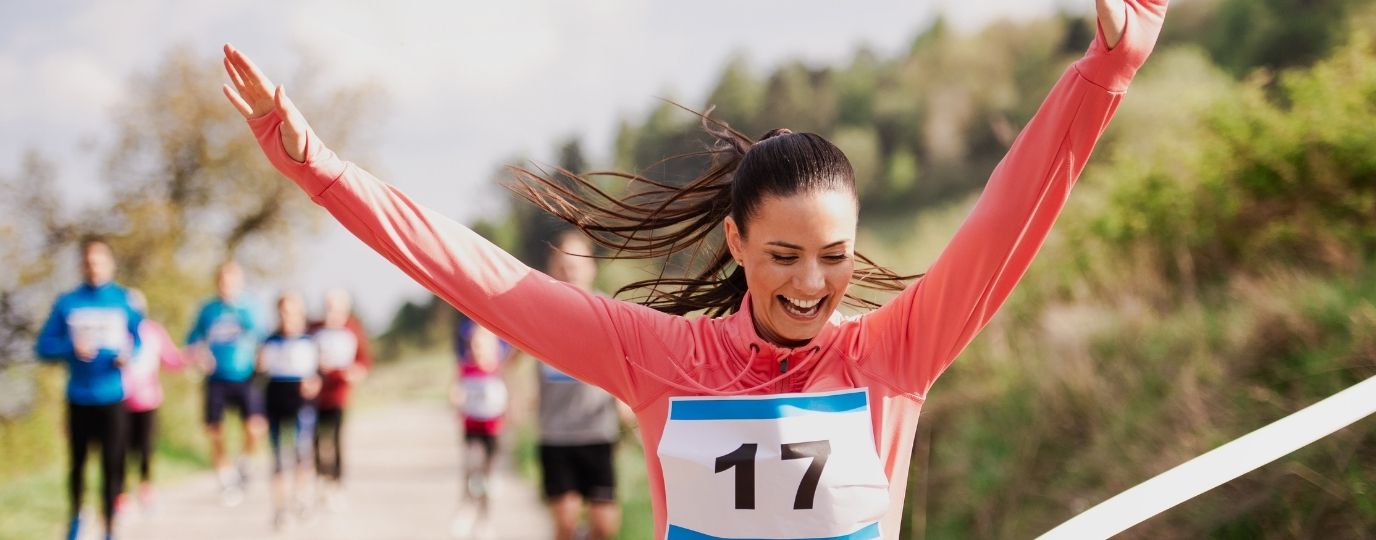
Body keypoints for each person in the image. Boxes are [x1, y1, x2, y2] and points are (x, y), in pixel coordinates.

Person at [222, 1, 1166, 536]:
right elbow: (475, 275)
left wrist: (1106, 71)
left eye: (834, 258)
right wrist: (323, 172)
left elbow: (1009, 213)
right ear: (735, 244)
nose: (810, 282)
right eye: (785, 255)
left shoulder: (897, 353)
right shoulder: (657, 357)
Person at [35, 237, 142, 540]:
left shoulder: (124, 301)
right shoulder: (67, 303)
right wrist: (70, 347)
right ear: (82, 265)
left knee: (112, 464)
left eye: (99, 261)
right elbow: (43, 347)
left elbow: (139, 338)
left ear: (110, 264)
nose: (94, 267)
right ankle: (75, 520)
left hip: (112, 396)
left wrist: (128, 354)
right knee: (78, 464)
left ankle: (109, 527)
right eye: (88, 262)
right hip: (79, 396)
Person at [536, 231, 623, 540]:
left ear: (591, 267)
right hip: (556, 434)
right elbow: (510, 357)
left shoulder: (609, 311)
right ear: (552, 267)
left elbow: (626, 363)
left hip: (598, 432)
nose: (570, 269)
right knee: (566, 520)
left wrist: (627, 406)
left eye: (578, 262)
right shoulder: (538, 312)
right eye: (563, 263)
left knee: (604, 525)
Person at [186, 261, 264, 506]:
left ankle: (245, 461)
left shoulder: (249, 307)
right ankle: (226, 478)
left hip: (245, 376)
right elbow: (192, 340)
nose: (226, 286)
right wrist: (199, 356)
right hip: (216, 378)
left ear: (239, 283)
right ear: (217, 282)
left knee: (254, 427)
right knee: (214, 430)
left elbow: (262, 337)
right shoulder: (207, 310)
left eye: (232, 281)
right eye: (223, 281)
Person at [119, 289, 187, 515]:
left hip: (148, 400)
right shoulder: (117, 332)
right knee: (120, 449)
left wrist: (192, 356)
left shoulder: (153, 332)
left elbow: (172, 359)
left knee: (146, 449)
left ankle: (146, 491)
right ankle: (121, 496)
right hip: (119, 399)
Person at [258, 291, 322, 529]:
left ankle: (302, 497)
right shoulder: (269, 341)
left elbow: (320, 373)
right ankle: (279, 509)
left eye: (293, 311)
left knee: (301, 454)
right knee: (277, 460)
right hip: (275, 403)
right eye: (283, 311)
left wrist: (315, 382)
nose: (288, 317)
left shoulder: (310, 340)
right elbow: (257, 378)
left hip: (302, 406)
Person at [448, 319, 513, 540]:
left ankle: (485, 520)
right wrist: (455, 399)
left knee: (487, 479)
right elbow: (456, 391)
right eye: (474, 345)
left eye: (483, 345)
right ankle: (465, 510)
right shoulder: (466, 368)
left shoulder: (498, 370)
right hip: (471, 428)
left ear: (494, 347)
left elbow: (509, 397)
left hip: (493, 431)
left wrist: (512, 414)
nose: (477, 350)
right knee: (472, 469)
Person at [309, 288, 371, 511]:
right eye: (328, 307)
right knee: (315, 440)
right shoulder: (313, 328)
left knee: (335, 440)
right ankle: (320, 480)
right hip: (316, 395)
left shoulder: (353, 329)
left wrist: (355, 372)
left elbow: (363, 361)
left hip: (339, 394)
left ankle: (337, 483)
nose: (332, 312)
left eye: (336, 308)